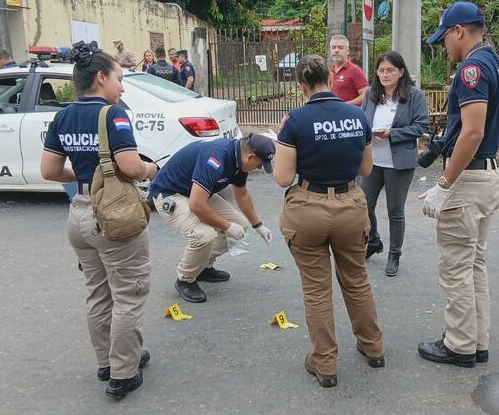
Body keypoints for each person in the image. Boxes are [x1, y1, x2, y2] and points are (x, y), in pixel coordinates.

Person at [40, 41, 158, 399]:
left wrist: (88, 177)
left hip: (79, 213)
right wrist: (152, 167)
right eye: (119, 79)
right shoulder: (113, 114)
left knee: (98, 293)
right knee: (129, 293)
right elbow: (131, 167)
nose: (122, 86)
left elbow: (49, 171)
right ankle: (123, 373)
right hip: (114, 217)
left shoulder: (63, 115)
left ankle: (108, 361)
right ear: (102, 78)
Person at [274, 54, 384, 388]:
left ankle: (325, 365)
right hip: (351, 205)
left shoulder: (295, 120)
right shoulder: (356, 115)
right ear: (329, 78)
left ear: (301, 85)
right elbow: (366, 170)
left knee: (317, 289)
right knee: (357, 279)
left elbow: (282, 177)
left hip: (309, 207)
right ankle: (373, 347)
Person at [419, 1, 499, 368]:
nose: (444, 45)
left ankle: (459, 346)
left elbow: (473, 130)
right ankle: (476, 342)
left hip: (468, 178)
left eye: (444, 37)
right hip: (489, 173)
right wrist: (475, 135)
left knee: (456, 268)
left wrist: (444, 183)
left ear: (458, 31)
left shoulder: (472, 69)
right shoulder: (498, 64)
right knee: (474, 263)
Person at [148, 134, 275, 303]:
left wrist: (257, 225)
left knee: (240, 225)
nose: (259, 169)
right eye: (259, 164)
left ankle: (202, 266)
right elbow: (197, 205)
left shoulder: (239, 160)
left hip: (197, 192)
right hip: (171, 193)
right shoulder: (216, 157)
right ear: (250, 156)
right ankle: (186, 279)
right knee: (204, 235)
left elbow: (242, 193)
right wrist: (227, 226)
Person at [360, 50, 429, 276]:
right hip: (372, 161)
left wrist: (392, 134)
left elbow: (421, 127)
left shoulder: (413, 95)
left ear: (401, 72)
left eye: (390, 70)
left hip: (399, 163)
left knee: (395, 210)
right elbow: (362, 121)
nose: (385, 74)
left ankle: (394, 255)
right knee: (363, 205)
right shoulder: (371, 94)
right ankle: (374, 240)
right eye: (381, 70)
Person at [329, 35, 369, 106]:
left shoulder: (354, 70)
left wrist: (345, 105)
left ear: (347, 51)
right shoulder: (329, 71)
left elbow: (366, 96)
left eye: (340, 48)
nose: (336, 50)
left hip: (350, 115)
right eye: (333, 47)